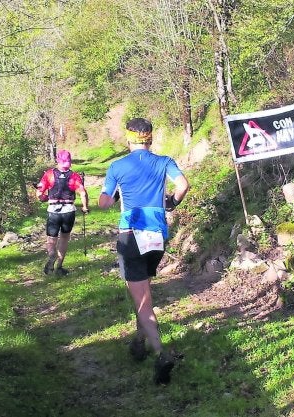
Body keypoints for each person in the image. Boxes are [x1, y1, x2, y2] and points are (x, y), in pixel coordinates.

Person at [98, 118, 189, 385]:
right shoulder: (164, 161)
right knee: (143, 290)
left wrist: (114, 195)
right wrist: (171, 202)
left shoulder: (117, 166)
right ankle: (139, 341)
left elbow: (103, 203)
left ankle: (161, 353)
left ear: (128, 140)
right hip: (158, 234)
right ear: (150, 139)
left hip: (131, 235)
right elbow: (183, 185)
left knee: (142, 300)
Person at [36, 150, 89, 276]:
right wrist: (85, 207)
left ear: (57, 160)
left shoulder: (49, 174)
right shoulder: (74, 176)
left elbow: (39, 193)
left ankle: (51, 255)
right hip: (68, 211)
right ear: (70, 161)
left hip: (53, 210)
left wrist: (43, 198)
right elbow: (83, 193)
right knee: (64, 238)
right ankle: (59, 267)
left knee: (51, 239)